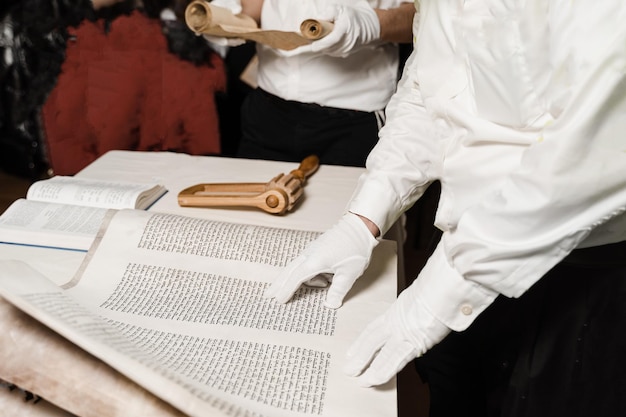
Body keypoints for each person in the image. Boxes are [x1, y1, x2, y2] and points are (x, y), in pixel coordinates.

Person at [264, 1, 626, 416]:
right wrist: (364, 218)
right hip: (458, 247)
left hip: (574, 267)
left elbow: (593, 153)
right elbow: (427, 93)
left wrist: (445, 289)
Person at [205, 0, 414, 167]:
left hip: (353, 119)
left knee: (341, 217)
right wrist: (229, 15)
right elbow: (255, 5)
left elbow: (425, 16)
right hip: (268, 109)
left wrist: (374, 24)